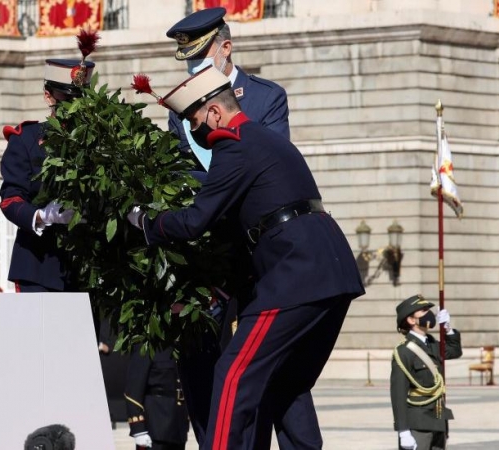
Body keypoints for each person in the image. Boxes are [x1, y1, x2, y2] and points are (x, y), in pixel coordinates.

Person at [127, 66, 364, 450]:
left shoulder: (233, 145)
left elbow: (194, 221)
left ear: (216, 114)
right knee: (286, 383)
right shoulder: (268, 142)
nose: (195, 131)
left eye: (195, 121)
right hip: (331, 272)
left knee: (234, 373)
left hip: (295, 272)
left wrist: (144, 221)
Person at [163, 9, 291, 445]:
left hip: (258, 253)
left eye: (200, 60)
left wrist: (214, 188)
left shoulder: (264, 98)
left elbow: (267, 165)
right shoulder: (180, 112)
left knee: (274, 370)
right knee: (199, 363)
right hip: (209, 253)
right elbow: (184, 177)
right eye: (188, 63)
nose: (193, 70)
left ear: (226, 49)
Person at [0, 40, 96, 293]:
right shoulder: (27, 140)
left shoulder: (98, 141)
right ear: (47, 96)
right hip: (40, 266)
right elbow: (10, 200)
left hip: (89, 266)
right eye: (65, 99)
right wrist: (42, 216)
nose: (73, 107)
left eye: (80, 99)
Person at [166, 7, 289, 173]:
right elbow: (180, 170)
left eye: (200, 55)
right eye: (190, 59)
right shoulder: (181, 108)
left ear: (225, 48)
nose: (194, 64)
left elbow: (276, 162)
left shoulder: (266, 97)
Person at [391, 295, 462, 450]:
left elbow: (455, 351)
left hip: (439, 419)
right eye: (423, 311)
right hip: (418, 424)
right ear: (411, 320)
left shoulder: (432, 344)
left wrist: (448, 328)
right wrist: (403, 431)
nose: (429, 314)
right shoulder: (404, 352)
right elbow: (398, 394)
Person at [125, 345, 189, 450]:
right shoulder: (146, 345)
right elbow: (133, 389)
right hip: (155, 428)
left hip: (177, 427)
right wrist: (138, 429)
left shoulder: (179, 346)